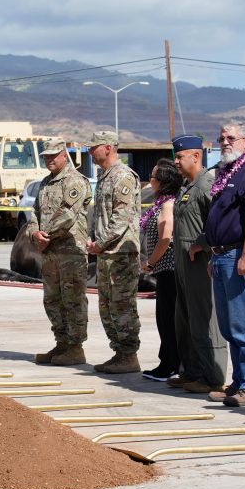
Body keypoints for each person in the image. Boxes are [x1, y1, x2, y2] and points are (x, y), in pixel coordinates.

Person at [203, 122, 245, 407]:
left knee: (244, 325)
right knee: (230, 326)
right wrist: (213, 254)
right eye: (221, 138)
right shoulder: (228, 170)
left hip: (238, 255)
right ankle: (241, 382)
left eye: (231, 138)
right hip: (222, 256)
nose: (225, 142)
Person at [169, 135, 228, 395]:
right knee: (185, 318)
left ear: (196, 156)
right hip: (183, 264)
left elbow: (218, 222)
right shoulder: (187, 187)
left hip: (200, 264)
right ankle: (192, 370)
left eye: (180, 156)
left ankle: (212, 376)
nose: (176, 161)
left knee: (205, 318)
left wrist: (202, 243)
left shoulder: (207, 185)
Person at [26, 137, 92, 366]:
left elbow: (68, 214)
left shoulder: (75, 181)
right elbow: (34, 213)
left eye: (53, 156)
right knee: (53, 300)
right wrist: (35, 233)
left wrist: (46, 236)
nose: (49, 160)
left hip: (70, 252)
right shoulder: (46, 183)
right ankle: (62, 343)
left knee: (72, 298)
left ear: (65, 155)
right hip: (50, 253)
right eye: (46, 157)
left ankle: (75, 347)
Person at [85, 130, 142, 374]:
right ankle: (119, 352)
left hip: (120, 253)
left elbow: (121, 219)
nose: (90, 152)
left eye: (93, 147)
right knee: (107, 305)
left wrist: (100, 243)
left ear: (108, 148)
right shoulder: (105, 177)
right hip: (106, 253)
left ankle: (129, 355)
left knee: (122, 305)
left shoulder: (122, 176)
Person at [140, 159, 182, 381]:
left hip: (169, 269)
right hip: (164, 269)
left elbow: (166, 238)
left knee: (167, 319)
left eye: (154, 177)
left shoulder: (168, 205)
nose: (150, 180)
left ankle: (171, 364)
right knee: (164, 318)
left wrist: (151, 263)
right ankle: (167, 361)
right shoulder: (162, 202)